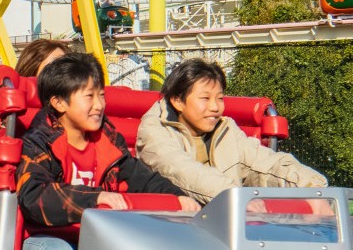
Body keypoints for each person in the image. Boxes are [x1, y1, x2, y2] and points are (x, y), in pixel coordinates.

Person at [17, 53, 198, 245]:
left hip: (95, 235)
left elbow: (141, 178)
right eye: (89, 96)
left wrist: (178, 197)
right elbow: (34, 195)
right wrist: (95, 198)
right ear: (59, 103)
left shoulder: (108, 143)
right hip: (49, 236)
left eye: (101, 95)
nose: (99, 105)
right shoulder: (40, 142)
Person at [135, 59, 326, 205]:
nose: (215, 107)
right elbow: (181, 170)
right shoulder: (155, 131)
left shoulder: (225, 129)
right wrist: (239, 200)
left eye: (220, 98)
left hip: (224, 220)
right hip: (173, 225)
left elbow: (263, 163)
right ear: (178, 101)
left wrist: (312, 188)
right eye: (205, 98)